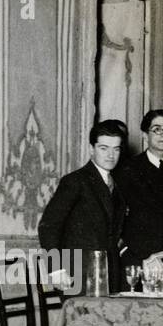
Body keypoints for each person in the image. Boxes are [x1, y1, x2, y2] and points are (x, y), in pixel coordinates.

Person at [38, 120, 129, 293]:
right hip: (77, 275)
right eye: (104, 148)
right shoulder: (75, 181)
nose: (111, 155)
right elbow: (48, 226)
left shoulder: (117, 184)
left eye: (116, 149)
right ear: (91, 149)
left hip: (110, 274)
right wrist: (56, 270)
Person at [116, 109, 163, 263]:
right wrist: (125, 250)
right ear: (145, 135)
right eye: (157, 129)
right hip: (139, 258)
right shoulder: (127, 170)